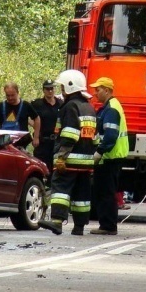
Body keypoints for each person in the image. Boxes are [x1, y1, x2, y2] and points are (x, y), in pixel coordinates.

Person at [38, 70, 97, 236]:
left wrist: (62, 157)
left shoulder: (70, 106)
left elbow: (70, 134)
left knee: (60, 188)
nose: (61, 90)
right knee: (81, 194)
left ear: (70, 87)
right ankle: (79, 226)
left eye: (63, 86)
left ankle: (57, 221)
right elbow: (96, 138)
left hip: (70, 159)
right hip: (86, 161)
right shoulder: (89, 107)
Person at [90, 76, 129, 236]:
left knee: (105, 192)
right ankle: (107, 224)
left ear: (107, 90)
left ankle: (108, 226)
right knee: (106, 191)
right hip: (112, 157)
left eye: (98, 90)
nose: (95, 93)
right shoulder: (111, 106)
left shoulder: (111, 109)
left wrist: (99, 152)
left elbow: (111, 135)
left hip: (110, 157)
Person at [0, 82, 40, 149]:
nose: (10, 98)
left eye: (12, 95)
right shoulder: (0, 106)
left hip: (21, 145)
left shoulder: (26, 105)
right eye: (8, 95)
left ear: (17, 92)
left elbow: (37, 119)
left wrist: (36, 137)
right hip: (4, 144)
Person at [31, 79, 63, 176]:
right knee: (41, 168)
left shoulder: (61, 104)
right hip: (43, 141)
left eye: (52, 89)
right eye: (47, 89)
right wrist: (36, 127)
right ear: (43, 90)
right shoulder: (37, 104)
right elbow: (27, 116)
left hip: (57, 142)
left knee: (55, 169)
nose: (50, 91)